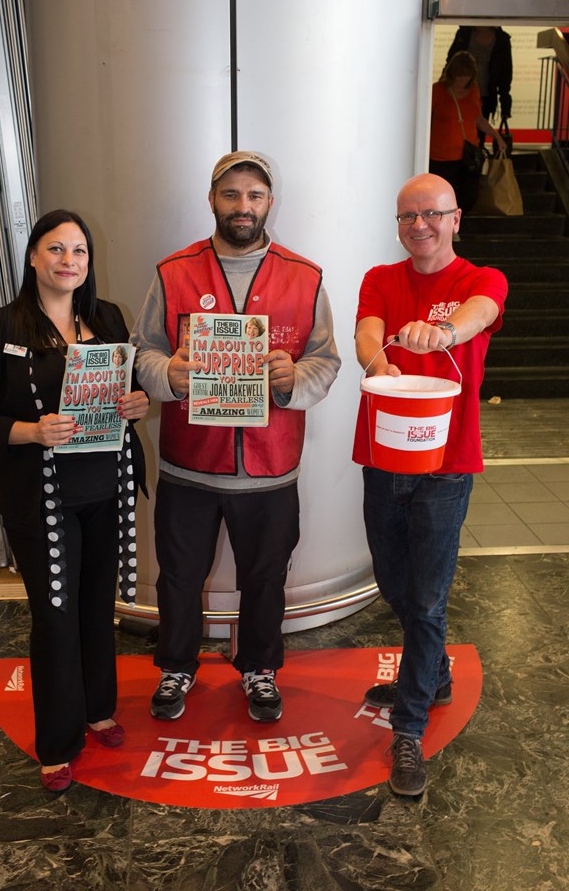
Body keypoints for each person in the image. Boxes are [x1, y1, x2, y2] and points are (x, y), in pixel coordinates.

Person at [131, 150, 340, 723]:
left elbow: (325, 360)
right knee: (178, 577)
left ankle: (259, 669)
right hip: (188, 465)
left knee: (266, 578)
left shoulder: (305, 276)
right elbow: (141, 349)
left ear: (270, 202)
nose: (242, 207)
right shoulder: (174, 272)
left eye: (254, 195)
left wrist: (293, 379)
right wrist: (166, 375)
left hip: (272, 467)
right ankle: (176, 664)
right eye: (231, 195)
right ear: (212, 200)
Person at [0, 209, 149, 793]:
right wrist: (32, 430)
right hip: (41, 496)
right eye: (57, 249)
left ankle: (97, 709)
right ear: (34, 258)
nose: (70, 261)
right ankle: (58, 742)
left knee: (97, 606)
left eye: (80, 252)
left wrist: (137, 404)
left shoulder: (108, 317)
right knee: (55, 614)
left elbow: (128, 389)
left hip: (106, 487)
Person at [352, 173, 508, 797]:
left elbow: (481, 313)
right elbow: (367, 328)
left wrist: (442, 333)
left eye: (431, 215)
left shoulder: (479, 279)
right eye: (407, 216)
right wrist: (378, 359)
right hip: (382, 460)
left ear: (456, 218)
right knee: (394, 583)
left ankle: (409, 727)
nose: (419, 225)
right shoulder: (381, 278)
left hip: (446, 468)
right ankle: (433, 669)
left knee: (426, 601)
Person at [430, 51, 507, 215]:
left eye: (466, 76)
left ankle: (456, 223)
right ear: (451, 74)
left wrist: (497, 137)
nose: (462, 80)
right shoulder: (437, 91)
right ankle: (448, 228)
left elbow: (478, 119)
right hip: (441, 156)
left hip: (468, 155)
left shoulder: (473, 91)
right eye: (459, 76)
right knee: (442, 196)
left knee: (470, 194)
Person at [446, 26, 513, 129]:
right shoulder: (465, 33)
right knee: (455, 129)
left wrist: (505, 103)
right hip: (459, 92)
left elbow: (505, 72)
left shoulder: (501, 39)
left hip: (485, 95)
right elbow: (451, 61)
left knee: (478, 132)